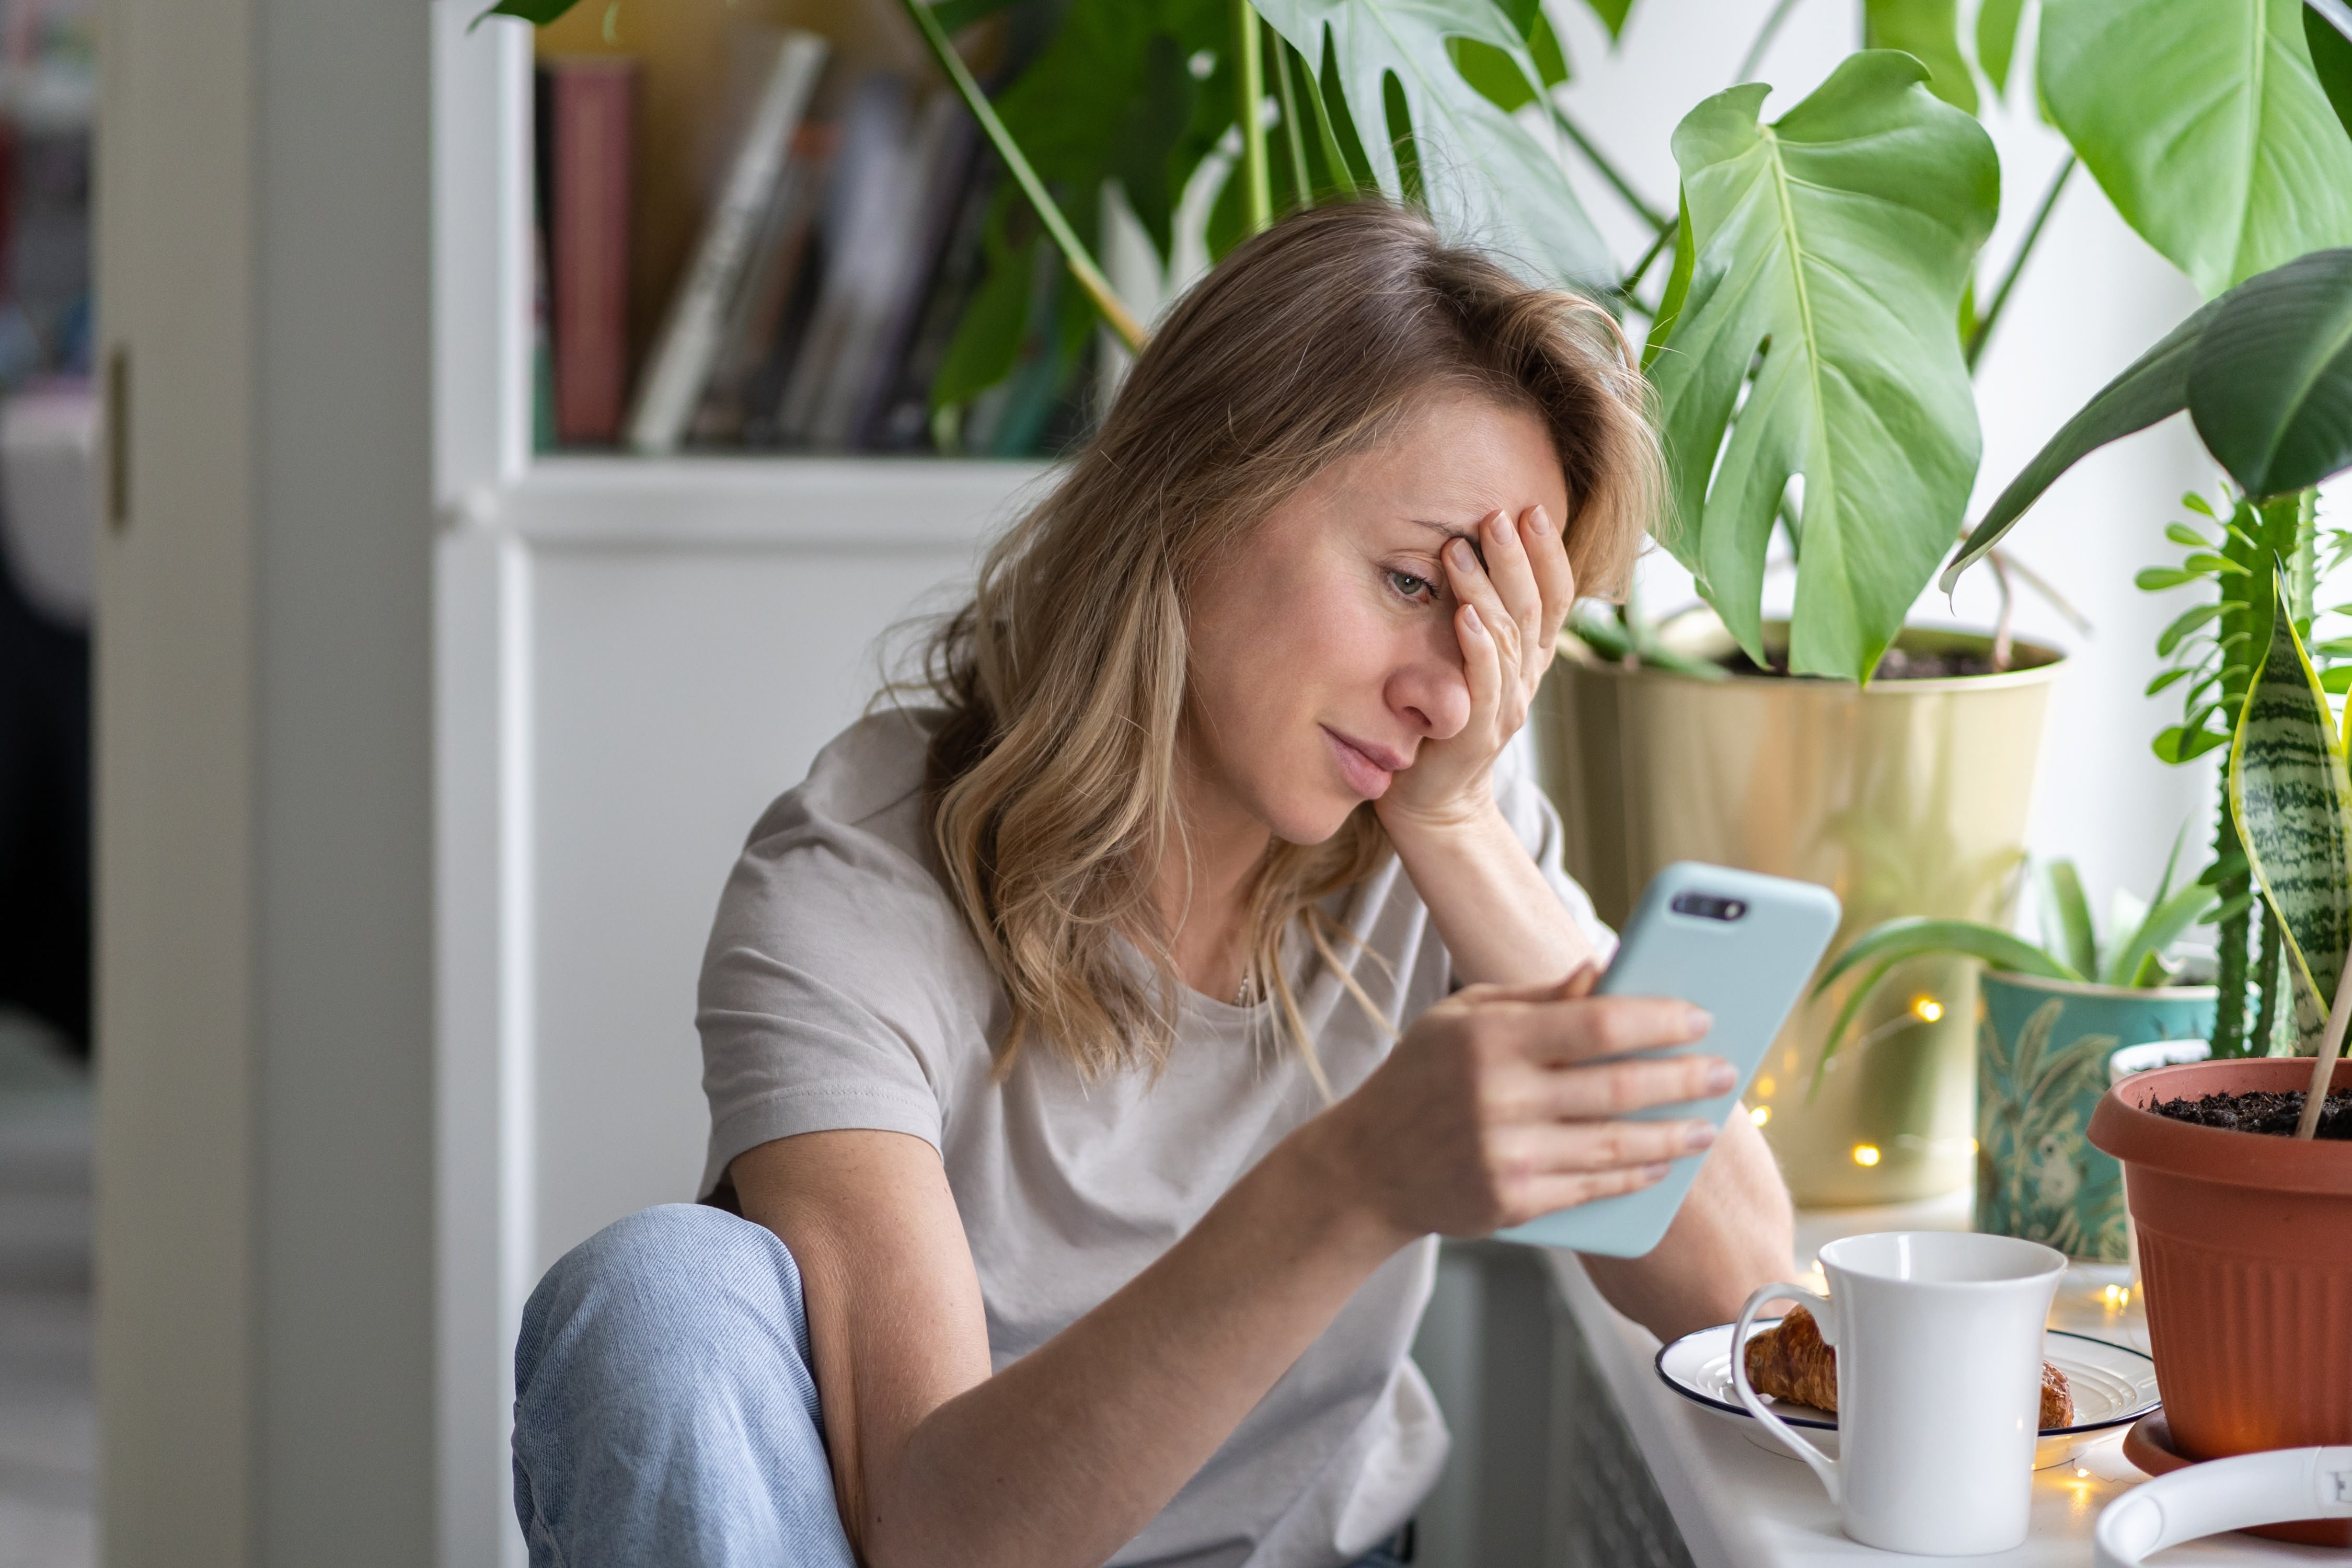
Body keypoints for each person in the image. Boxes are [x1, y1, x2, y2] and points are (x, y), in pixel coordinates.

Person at [511, 200, 1796, 1568]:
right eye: (1413, 582)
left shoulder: (1429, 828)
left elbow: (1745, 1297)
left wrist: (1466, 826)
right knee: (655, 1296)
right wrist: (1347, 1183)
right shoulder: (858, 884)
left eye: (1496, 628)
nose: (1443, 692)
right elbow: (933, 1537)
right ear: (1196, 492)